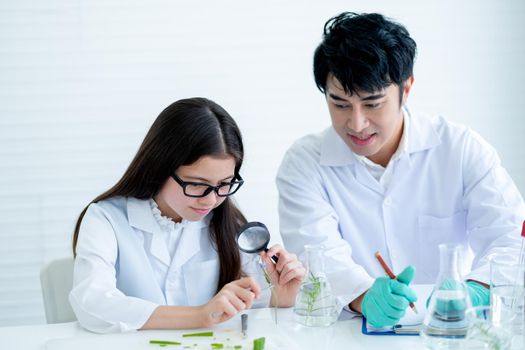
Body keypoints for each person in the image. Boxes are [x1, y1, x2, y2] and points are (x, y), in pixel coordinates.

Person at [276, 12, 525, 328]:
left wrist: (475, 291)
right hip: (351, 333)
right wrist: (365, 296)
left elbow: (512, 239)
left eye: (373, 103)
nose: (356, 123)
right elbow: (318, 256)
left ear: (406, 89)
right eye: (339, 104)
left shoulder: (461, 149)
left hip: (450, 327)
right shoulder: (303, 163)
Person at [70, 97, 305, 333]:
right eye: (197, 184)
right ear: (159, 166)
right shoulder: (106, 219)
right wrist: (199, 316)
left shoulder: (227, 224)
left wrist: (281, 298)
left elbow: (251, 303)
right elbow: (92, 303)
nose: (212, 200)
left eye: (224, 184)